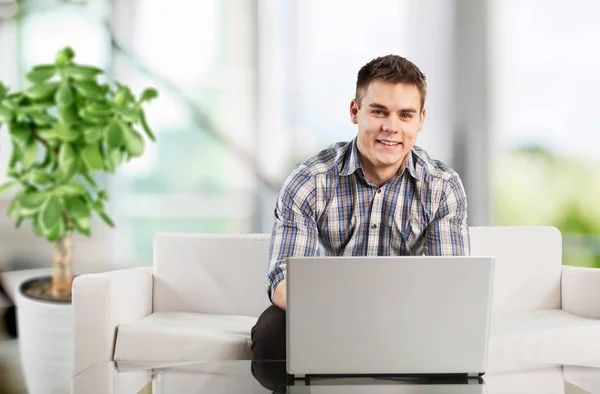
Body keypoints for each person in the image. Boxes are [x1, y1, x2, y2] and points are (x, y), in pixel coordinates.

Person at [251, 54, 470, 361]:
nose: (391, 127)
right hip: (322, 311)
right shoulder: (309, 181)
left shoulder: (442, 186)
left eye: (405, 115)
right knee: (272, 334)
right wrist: (351, 311)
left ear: (421, 119)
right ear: (356, 111)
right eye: (379, 112)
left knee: (453, 335)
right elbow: (282, 280)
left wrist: (392, 314)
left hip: (409, 315)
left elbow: (450, 284)